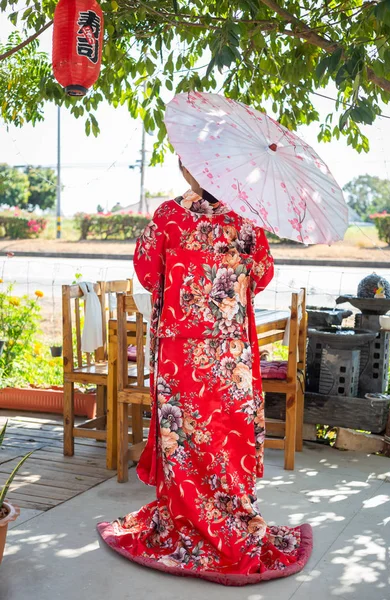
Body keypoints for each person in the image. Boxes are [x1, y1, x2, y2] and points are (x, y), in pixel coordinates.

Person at [97, 162, 312, 586]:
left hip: (180, 355)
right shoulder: (246, 220)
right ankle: (231, 516)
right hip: (228, 353)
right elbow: (263, 274)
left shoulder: (166, 217)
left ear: (184, 167)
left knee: (184, 438)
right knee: (226, 434)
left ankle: (184, 520)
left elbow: (146, 271)